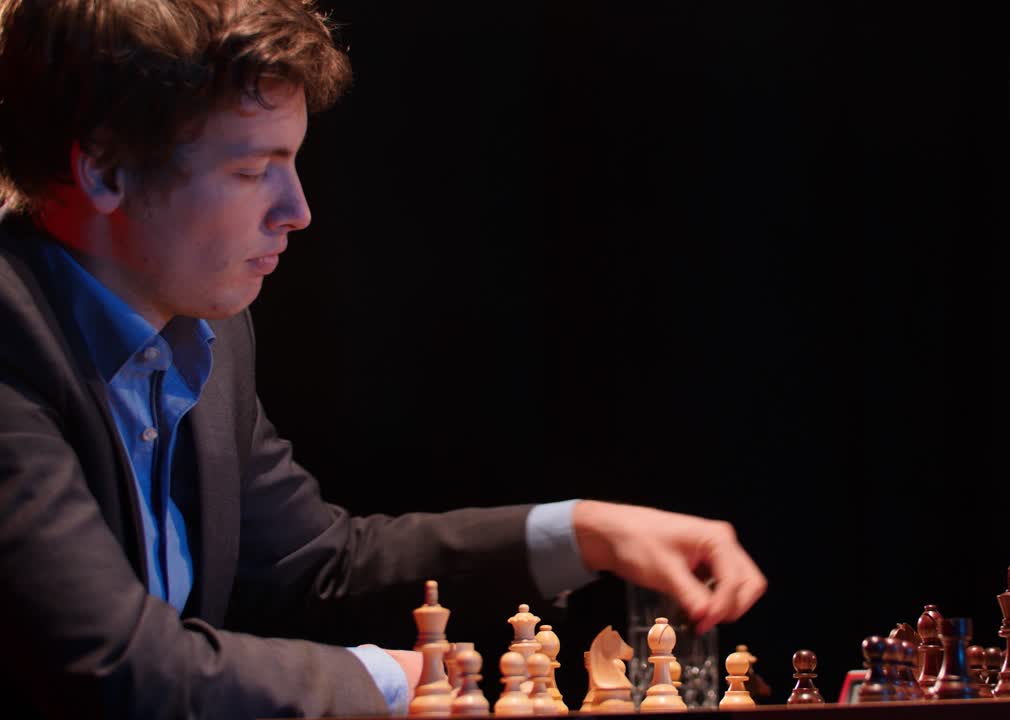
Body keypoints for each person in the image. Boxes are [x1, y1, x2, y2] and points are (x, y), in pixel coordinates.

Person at [0, 1, 767, 717]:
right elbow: (105, 663)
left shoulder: (203, 333)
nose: (296, 211)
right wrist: (393, 681)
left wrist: (587, 532)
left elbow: (314, 571)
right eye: (249, 171)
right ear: (103, 169)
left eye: (292, 163)